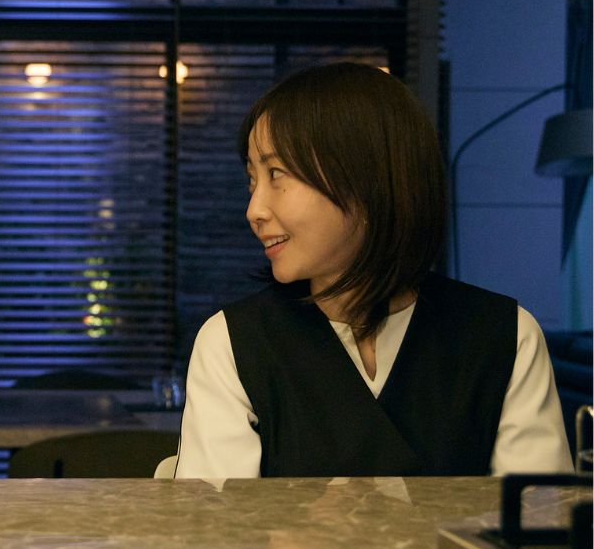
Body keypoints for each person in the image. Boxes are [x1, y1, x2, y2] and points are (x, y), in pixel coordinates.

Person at [176, 62, 572, 478]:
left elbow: (534, 530)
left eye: (278, 174)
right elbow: (217, 533)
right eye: (252, 181)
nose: (254, 210)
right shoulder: (234, 343)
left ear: (367, 180)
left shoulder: (504, 337)